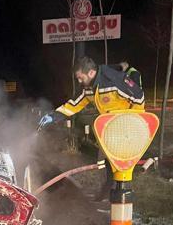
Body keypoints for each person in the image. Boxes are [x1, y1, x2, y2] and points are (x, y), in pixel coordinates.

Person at [38, 56, 145, 200]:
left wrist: (132, 120)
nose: (79, 81)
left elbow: (138, 97)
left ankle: (121, 193)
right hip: (110, 128)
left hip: (127, 125)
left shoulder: (113, 81)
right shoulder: (88, 89)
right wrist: (54, 116)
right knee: (107, 161)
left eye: (80, 78)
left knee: (122, 163)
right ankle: (110, 190)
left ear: (91, 73)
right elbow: (73, 105)